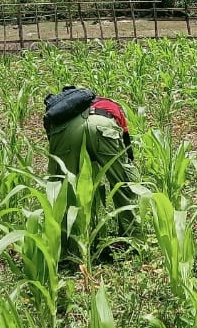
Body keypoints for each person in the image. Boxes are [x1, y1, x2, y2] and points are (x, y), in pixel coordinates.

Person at [43, 86, 137, 245]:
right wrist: (127, 164)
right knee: (122, 182)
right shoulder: (108, 103)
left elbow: (51, 139)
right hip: (102, 125)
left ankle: (69, 245)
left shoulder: (59, 112)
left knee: (63, 188)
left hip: (66, 133)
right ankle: (133, 237)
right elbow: (126, 142)